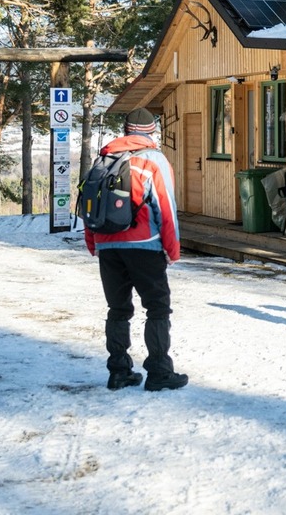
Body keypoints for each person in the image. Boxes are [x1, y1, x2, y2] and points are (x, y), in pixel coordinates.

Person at [85, 108, 188, 392]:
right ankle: (159, 371)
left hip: (108, 243)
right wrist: (172, 249)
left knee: (117, 309)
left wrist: (94, 242)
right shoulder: (154, 159)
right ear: (151, 130)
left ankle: (119, 372)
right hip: (144, 244)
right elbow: (165, 208)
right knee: (157, 307)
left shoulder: (105, 157)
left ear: (127, 129)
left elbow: (90, 203)